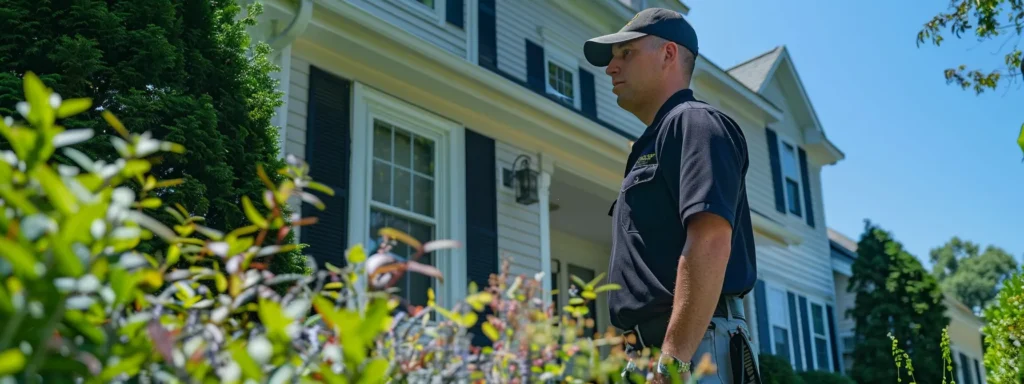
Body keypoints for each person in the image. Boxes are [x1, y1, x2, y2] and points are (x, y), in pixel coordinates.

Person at [582, 8, 761, 384]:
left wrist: (674, 363)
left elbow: (711, 240)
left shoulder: (695, 123)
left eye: (625, 54)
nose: (611, 68)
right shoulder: (655, 140)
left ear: (668, 55)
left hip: (692, 350)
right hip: (651, 354)